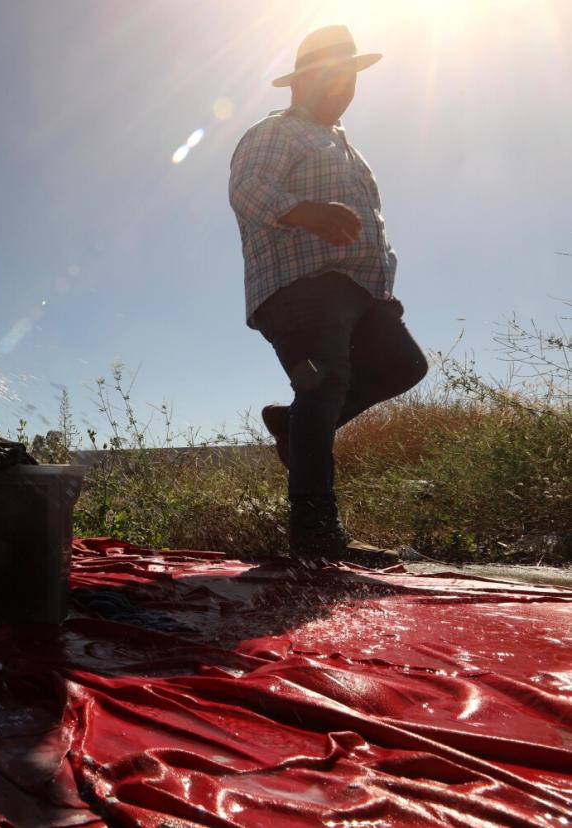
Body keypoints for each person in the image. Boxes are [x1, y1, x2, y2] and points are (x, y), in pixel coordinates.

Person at [228, 25, 427, 563]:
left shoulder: (345, 146)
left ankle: (295, 426)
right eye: (330, 77)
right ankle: (316, 533)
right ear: (300, 83)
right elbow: (247, 188)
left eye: (350, 78)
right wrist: (307, 212)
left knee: (405, 364)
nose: (342, 87)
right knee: (325, 381)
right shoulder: (277, 132)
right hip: (299, 284)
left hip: (362, 290)